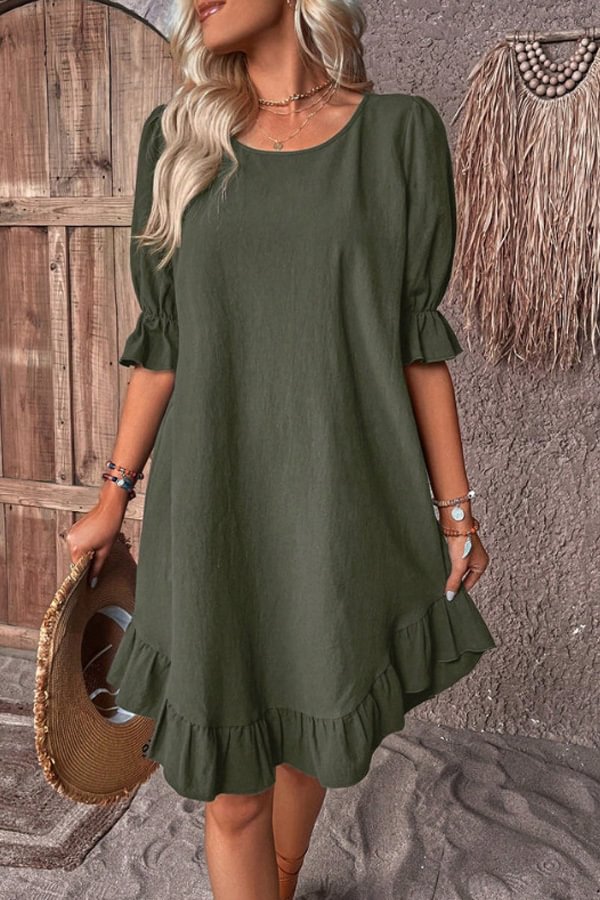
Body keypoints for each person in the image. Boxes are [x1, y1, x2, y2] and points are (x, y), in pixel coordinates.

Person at [66, 1, 497, 897]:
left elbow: (417, 344)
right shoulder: (176, 142)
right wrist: (113, 495)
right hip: (213, 506)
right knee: (232, 797)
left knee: (311, 739)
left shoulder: (399, 135)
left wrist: (457, 512)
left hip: (343, 501)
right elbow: (163, 346)